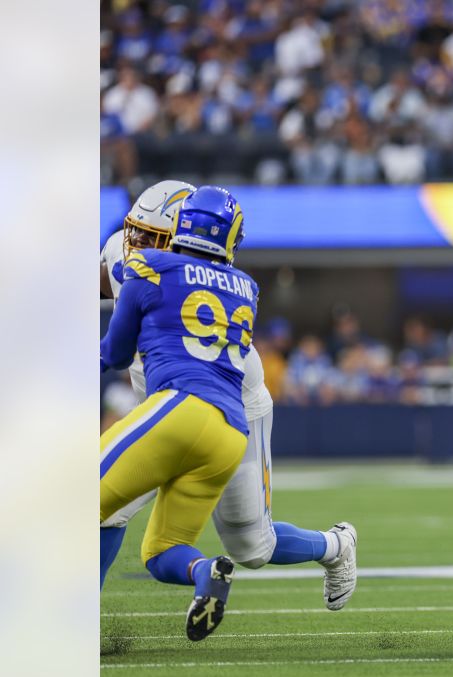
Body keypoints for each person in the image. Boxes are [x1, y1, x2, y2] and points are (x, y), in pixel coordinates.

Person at [98, 182, 358, 614]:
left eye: (150, 238)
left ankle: (336, 545)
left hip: (227, 405)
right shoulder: (154, 263)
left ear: (183, 232)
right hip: (166, 411)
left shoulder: (157, 273)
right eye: (135, 234)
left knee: (252, 545)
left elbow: (116, 350)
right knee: (109, 512)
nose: (137, 245)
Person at [99, 186, 255, 641]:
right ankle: (207, 570)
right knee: (163, 551)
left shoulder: (149, 267)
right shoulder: (247, 287)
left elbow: (115, 352)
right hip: (230, 433)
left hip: (181, 407)